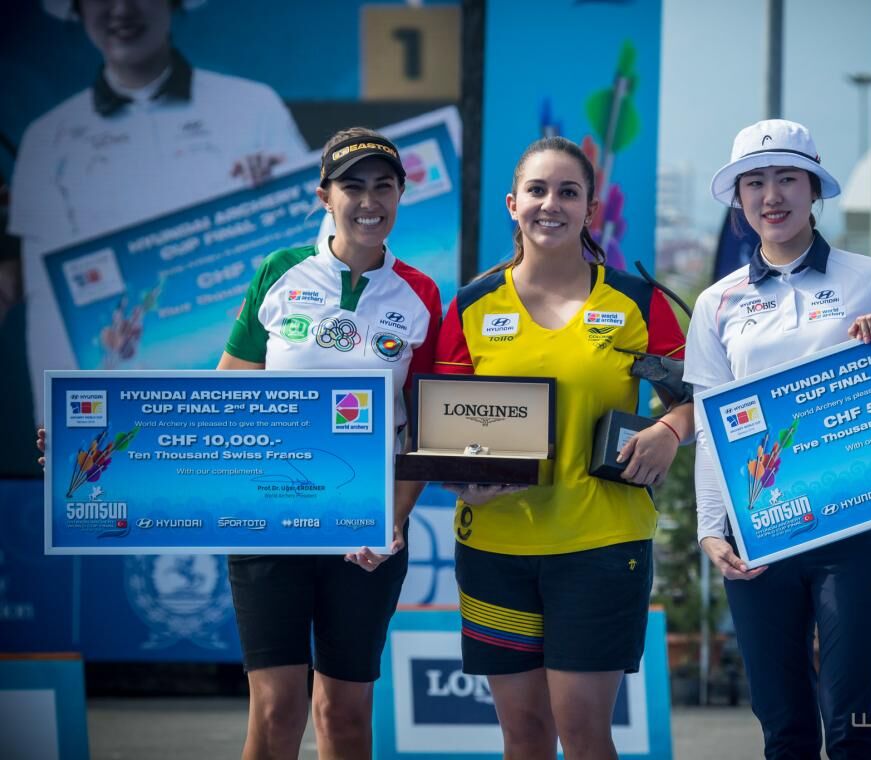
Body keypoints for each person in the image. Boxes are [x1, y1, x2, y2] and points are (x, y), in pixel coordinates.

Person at [432, 136, 693, 760]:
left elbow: (699, 398)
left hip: (600, 547)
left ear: (590, 209)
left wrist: (668, 431)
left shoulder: (638, 301)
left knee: (582, 733)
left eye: (568, 192)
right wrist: (460, 477)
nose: (551, 204)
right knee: (522, 736)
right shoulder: (469, 307)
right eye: (538, 191)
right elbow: (440, 431)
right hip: (496, 548)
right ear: (512, 204)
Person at [684, 119, 871, 760]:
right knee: (783, 730)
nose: (771, 195)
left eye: (787, 178)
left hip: (856, 528)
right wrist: (711, 528)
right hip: (760, 531)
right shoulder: (717, 303)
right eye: (754, 182)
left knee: (854, 728)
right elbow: (709, 425)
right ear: (738, 199)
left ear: (813, 189)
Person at [216, 128, 440, 759]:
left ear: (400, 194)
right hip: (269, 519)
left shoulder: (421, 293)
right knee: (278, 705)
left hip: (364, 531)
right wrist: (94, 445)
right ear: (324, 195)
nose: (369, 200)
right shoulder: (279, 271)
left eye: (383, 186)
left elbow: (423, 426)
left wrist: (390, 521)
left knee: (342, 712)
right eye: (352, 186)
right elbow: (225, 398)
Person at [8, 0, 310, 419]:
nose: (121, 9)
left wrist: (288, 189)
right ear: (76, 10)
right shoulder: (47, 140)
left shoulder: (253, 106)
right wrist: (56, 421)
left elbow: (314, 252)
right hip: (125, 400)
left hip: (250, 389)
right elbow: (46, 304)